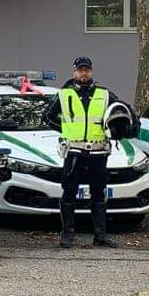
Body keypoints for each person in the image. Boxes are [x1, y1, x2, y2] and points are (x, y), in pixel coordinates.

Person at [43, 56, 136, 249]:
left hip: (98, 151)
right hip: (75, 151)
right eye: (80, 70)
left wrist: (124, 128)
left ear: (91, 71)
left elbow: (120, 111)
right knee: (69, 192)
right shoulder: (64, 94)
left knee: (98, 193)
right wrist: (66, 131)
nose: (84, 73)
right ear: (74, 72)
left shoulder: (104, 93)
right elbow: (48, 116)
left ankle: (100, 235)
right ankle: (67, 235)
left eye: (87, 70)